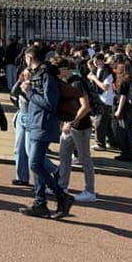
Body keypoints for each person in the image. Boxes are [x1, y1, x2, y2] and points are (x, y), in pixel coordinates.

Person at [18, 48, 75, 219]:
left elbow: (50, 103)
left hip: (43, 124)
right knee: (37, 164)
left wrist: (30, 92)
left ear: (29, 57)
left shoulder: (47, 76)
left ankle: (61, 196)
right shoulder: (38, 75)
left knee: (35, 164)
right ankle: (40, 202)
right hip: (36, 122)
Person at [56, 59, 97, 202]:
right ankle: (62, 186)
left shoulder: (77, 83)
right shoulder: (67, 83)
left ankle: (90, 191)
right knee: (64, 155)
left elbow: (85, 106)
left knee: (84, 158)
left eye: (58, 69)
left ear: (66, 69)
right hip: (70, 126)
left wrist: (72, 122)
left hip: (80, 127)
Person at [87, 53, 117, 151]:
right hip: (99, 98)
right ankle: (112, 142)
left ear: (102, 60)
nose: (95, 62)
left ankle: (100, 143)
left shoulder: (107, 71)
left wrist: (94, 79)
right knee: (106, 123)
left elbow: (105, 87)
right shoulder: (96, 70)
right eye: (94, 60)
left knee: (99, 122)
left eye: (97, 60)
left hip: (106, 99)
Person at [112, 58, 132, 162]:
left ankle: (126, 153)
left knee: (122, 131)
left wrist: (118, 110)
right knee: (131, 131)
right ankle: (130, 153)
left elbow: (123, 96)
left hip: (125, 108)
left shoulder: (124, 81)